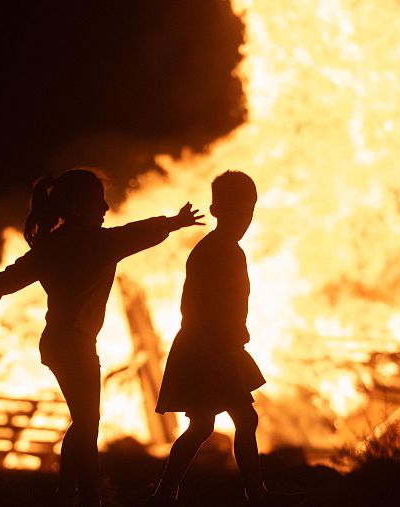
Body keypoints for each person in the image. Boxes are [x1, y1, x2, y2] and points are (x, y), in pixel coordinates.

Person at [0, 169, 204, 507]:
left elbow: (10, 277)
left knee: (85, 424)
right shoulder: (100, 244)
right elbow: (138, 233)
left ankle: (77, 493)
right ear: (77, 208)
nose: (105, 208)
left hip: (58, 344)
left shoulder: (52, 247)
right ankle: (79, 495)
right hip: (75, 345)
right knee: (87, 424)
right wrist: (174, 222)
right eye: (98, 202)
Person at [150, 171, 295, 506]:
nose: (243, 220)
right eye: (235, 212)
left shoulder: (231, 251)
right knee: (244, 418)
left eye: (248, 213)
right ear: (216, 210)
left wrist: (236, 332)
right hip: (207, 349)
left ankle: (164, 494)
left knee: (202, 426)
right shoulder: (211, 252)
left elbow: (232, 301)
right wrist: (216, 352)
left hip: (219, 347)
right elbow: (193, 307)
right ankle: (256, 494)